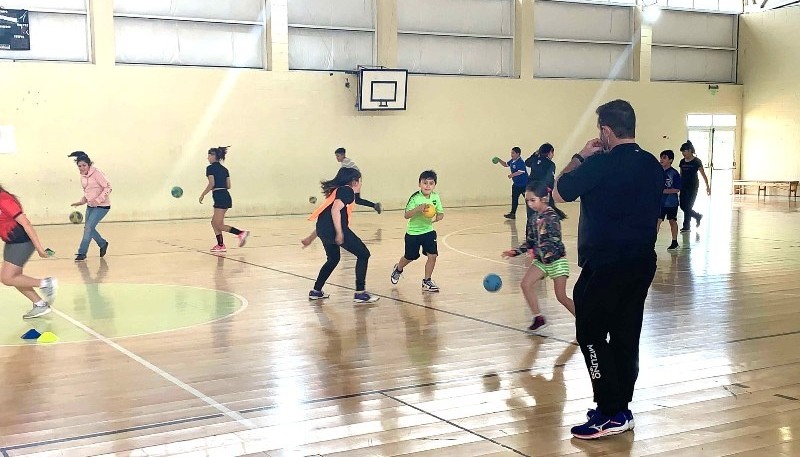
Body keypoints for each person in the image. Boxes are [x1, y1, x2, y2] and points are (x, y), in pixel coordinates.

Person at [553, 99, 662, 439]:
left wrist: (581, 155)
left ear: (605, 131)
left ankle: (607, 410)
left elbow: (559, 192)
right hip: (641, 263)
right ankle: (621, 409)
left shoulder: (599, 164)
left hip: (604, 266)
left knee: (590, 335)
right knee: (626, 335)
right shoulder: (652, 165)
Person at [502, 181, 574, 332]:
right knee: (525, 284)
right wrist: (515, 252)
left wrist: (536, 250)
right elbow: (530, 241)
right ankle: (538, 318)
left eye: (532, 200)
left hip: (556, 261)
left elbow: (553, 242)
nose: (529, 204)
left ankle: (585, 321)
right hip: (541, 261)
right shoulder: (533, 219)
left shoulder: (551, 217)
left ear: (544, 198)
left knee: (561, 296)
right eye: (527, 200)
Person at [308, 167, 379, 303]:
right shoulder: (347, 191)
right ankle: (360, 292)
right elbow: (335, 210)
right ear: (354, 182)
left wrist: (311, 237)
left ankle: (316, 291)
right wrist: (340, 233)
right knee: (363, 254)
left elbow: (325, 216)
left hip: (323, 230)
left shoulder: (335, 192)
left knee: (333, 259)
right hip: (335, 230)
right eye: (360, 181)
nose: (361, 184)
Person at [0, 185, 57, 319]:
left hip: (22, 242)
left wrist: (39, 249)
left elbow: (26, 224)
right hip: (11, 242)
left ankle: (46, 283)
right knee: (14, 277)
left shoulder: (4, 200)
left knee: (7, 278)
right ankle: (40, 304)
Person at [390, 170, 444, 292]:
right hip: (413, 233)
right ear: (419, 184)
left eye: (431, 183)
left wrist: (438, 217)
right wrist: (418, 209)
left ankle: (427, 281)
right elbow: (406, 215)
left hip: (428, 231)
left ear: (434, 185)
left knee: (433, 256)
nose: (428, 186)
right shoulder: (415, 198)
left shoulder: (435, 197)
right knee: (410, 257)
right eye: (425, 183)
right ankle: (398, 269)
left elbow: (440, 212)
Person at [199, 146, 249, 253]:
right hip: (225, 195)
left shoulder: (210, 168)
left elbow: (212, 184)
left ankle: (241, 233)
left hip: (219, 196)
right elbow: (229, 185)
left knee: (218, 224)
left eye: (209, 155)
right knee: (214, 222)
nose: (208, 158)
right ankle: (220, 245)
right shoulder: (225, 169)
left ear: (213, 156)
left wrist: (203, 194)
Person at [68, 151, 112, 262]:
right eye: (79, 166)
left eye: (84, 165)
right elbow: (88, 191)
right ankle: (102, 243)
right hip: (90, 206)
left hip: (102, 206)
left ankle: (82, 253)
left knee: (88, 228)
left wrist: (98, 200)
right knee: (88, 228)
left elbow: (108, 188)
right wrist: (81, 201)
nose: (82, 168)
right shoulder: (82, 176)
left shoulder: (97, 173)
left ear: (89, 164)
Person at [334, 148, 382, 214]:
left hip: (355, 181)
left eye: (338, 156)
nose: (337, 158)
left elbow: (347, 173)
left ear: (343, 155)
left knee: (346, 197)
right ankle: (375, 205)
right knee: (357, 200)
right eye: (336, 156)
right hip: (355, 181)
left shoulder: (346, 163)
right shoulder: (346, 162)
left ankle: (340, 213)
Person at [678, 140, 711, 232]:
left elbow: (703, 174)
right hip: (683, 186)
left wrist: (707, 186)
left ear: (689, 150)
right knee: (682, 206)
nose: (683, 154)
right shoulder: (682, 162)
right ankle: (697, 216)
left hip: (693, 187)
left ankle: (686, 226)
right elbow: (681, 174)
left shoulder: (696, 161)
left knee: (688, 206)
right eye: (682, 152)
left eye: (684, 151)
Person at [526, 142, 564, 220]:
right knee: (545, 215)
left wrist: (535, 154)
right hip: (541, 191)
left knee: (531, 216)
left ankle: (530, 231)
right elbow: (549, 179)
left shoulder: (534, 160)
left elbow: (527, 162)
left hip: (530, 190)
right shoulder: (550, 164)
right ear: (550, 152)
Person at [494, 147, 528, 219]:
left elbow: (521, 171)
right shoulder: (512, 161)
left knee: (528, 200)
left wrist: (512, 175)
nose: (511, 154)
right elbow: (505, 164)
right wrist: (499, 160)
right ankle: (512, 214)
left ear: (518, 154)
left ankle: (533, 213)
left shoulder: (521, 162)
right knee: (514, 199)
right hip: (516, 184)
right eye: (511, 153)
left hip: (524, 185)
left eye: (513, 153)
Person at [658, 150, 682, 250]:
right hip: (660, 203)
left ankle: (674, 241)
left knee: (672, 221)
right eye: (661, 157)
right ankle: (651, 241)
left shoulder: (674, 173)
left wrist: (663, 191)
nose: (661, 160)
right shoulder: (657, 172)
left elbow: (677, 188)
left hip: (671, 203)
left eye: (664, 158)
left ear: (670, 160)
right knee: (657, 221)